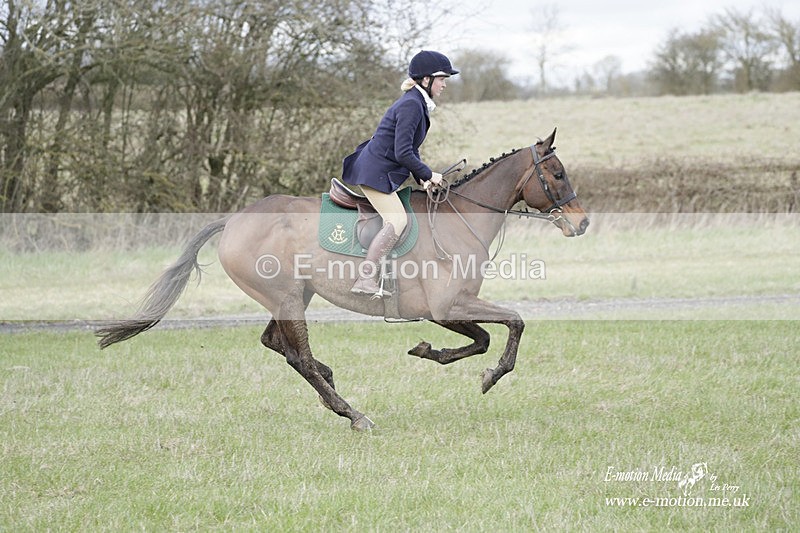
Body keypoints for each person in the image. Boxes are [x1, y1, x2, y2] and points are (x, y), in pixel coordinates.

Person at [341, 50, 459, 297]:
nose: (445, 84)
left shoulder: (415, 103)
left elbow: (409, 149)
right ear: (426, 80)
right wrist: (429, 173)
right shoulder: (411, 105)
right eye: (441, 78)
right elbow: (403, 151)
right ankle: (365, 279)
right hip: (374, 172)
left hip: (379, 169)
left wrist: (422, 178)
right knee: (397, 220)